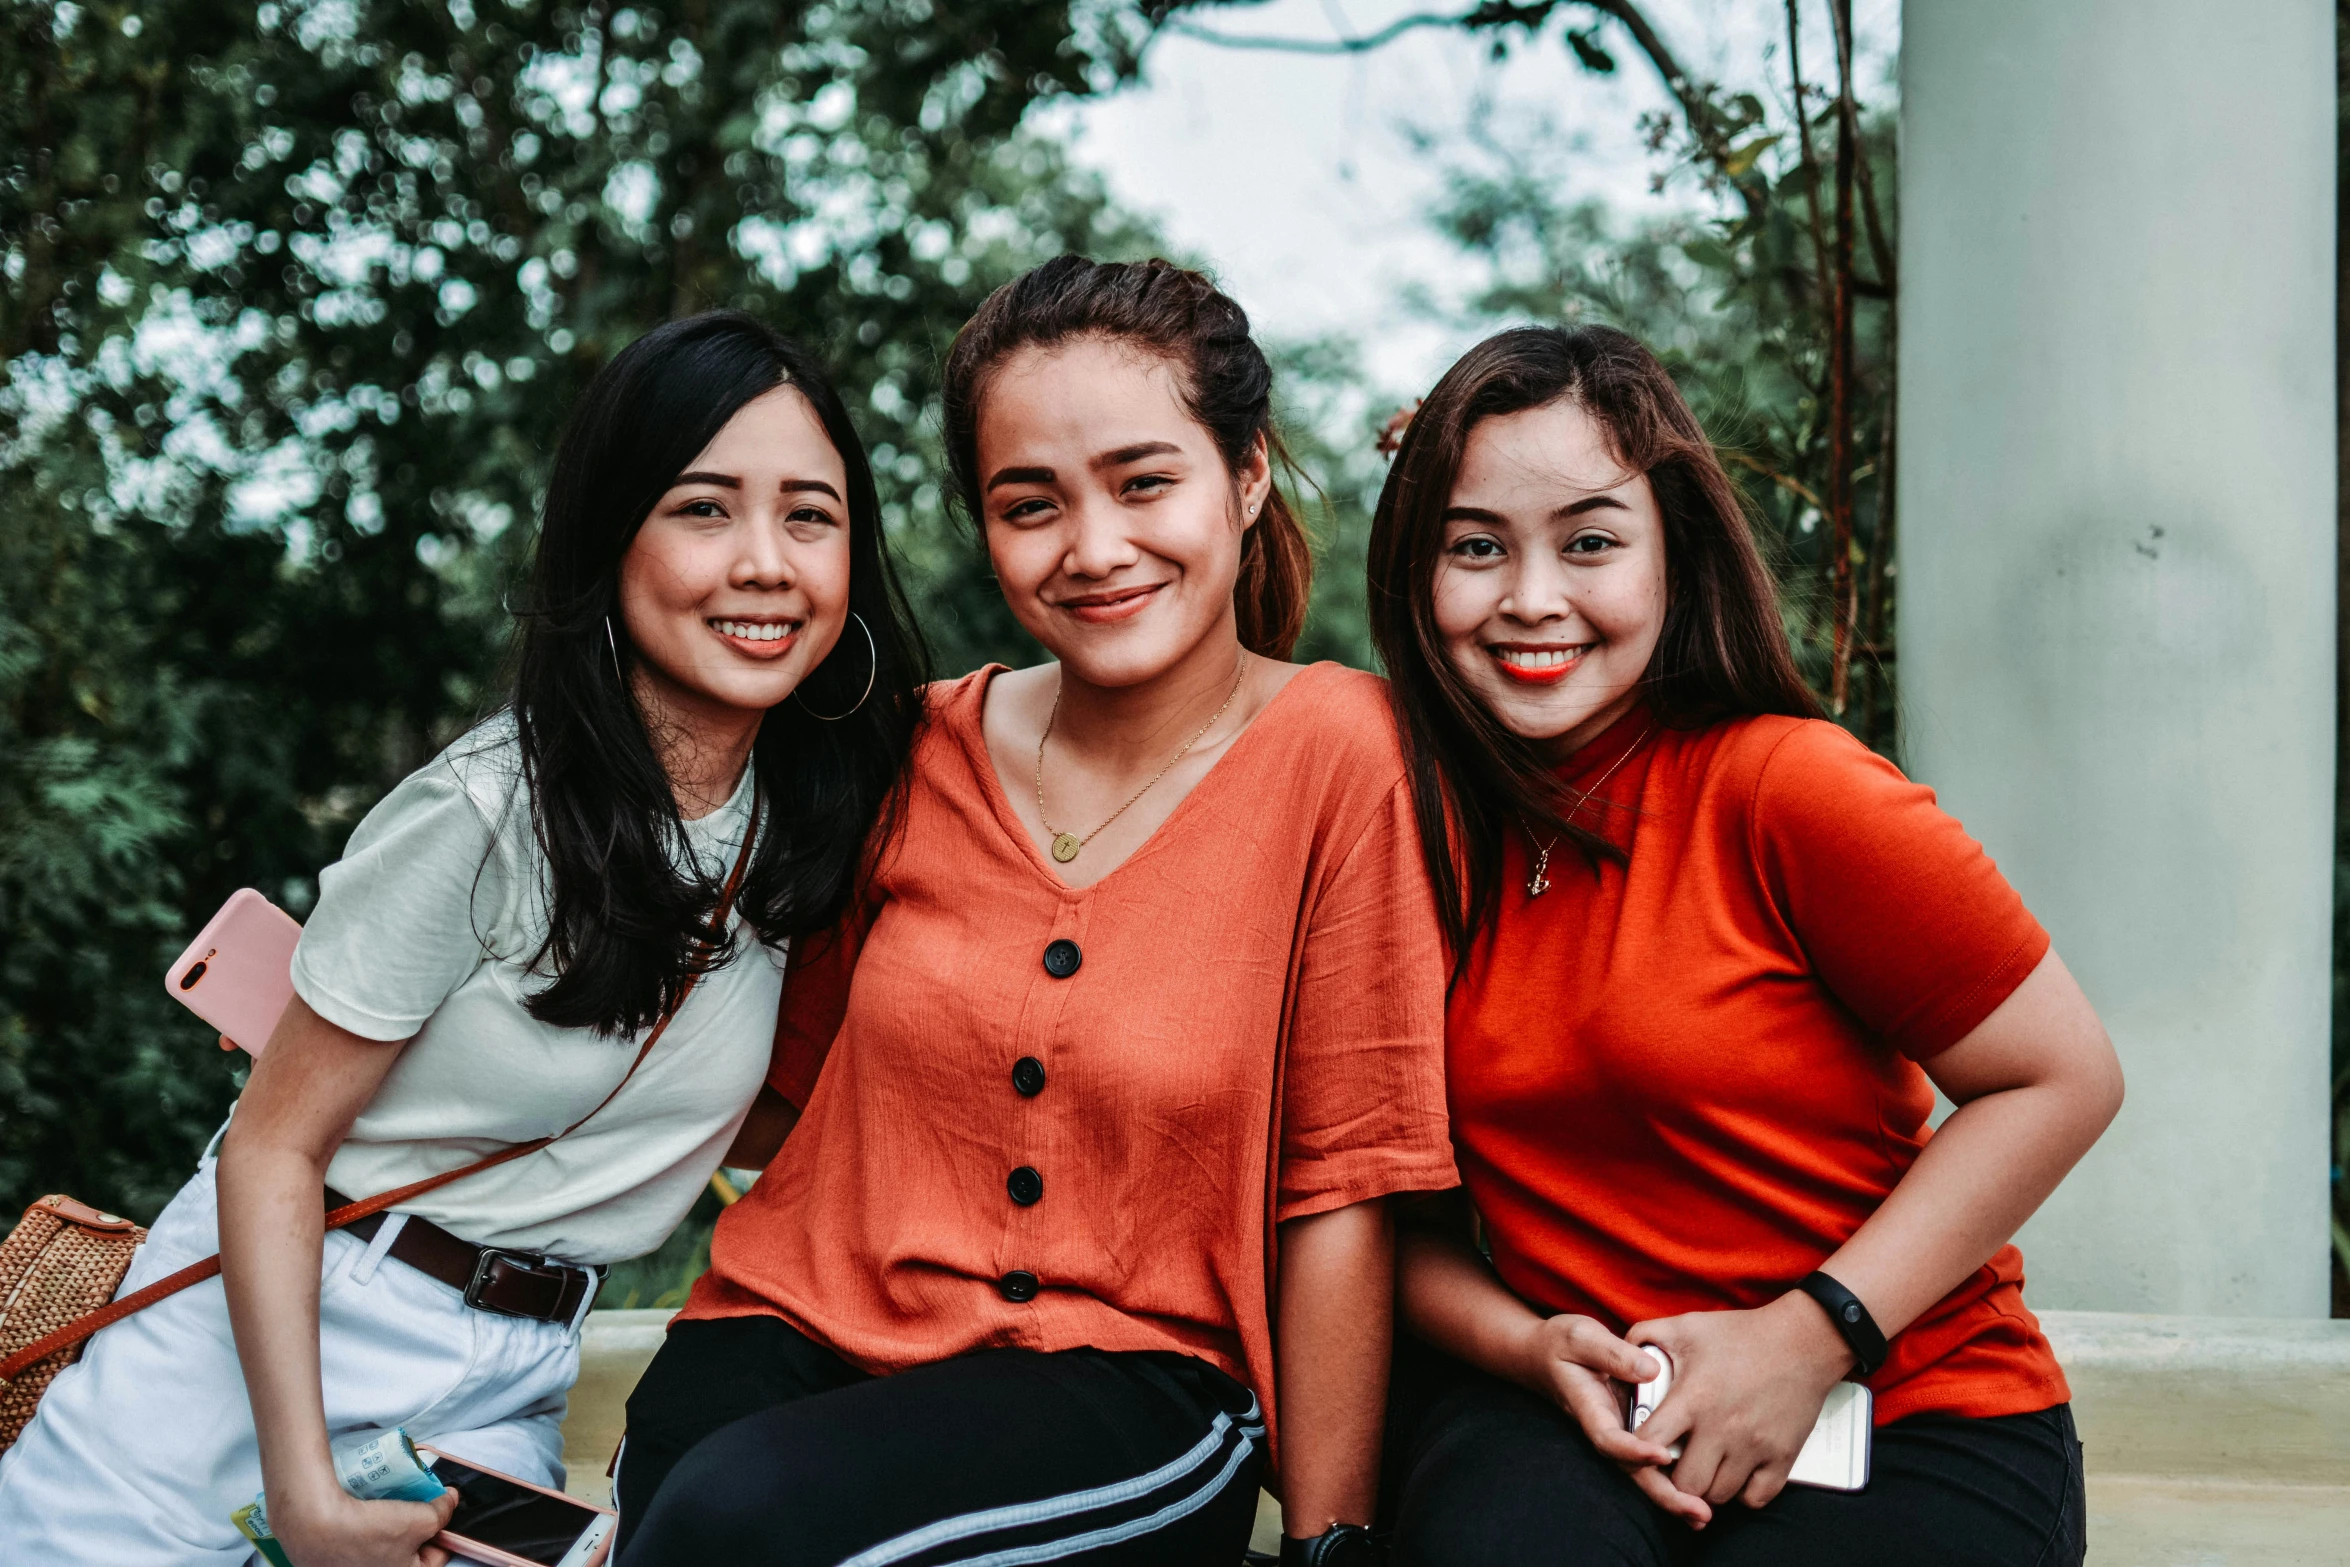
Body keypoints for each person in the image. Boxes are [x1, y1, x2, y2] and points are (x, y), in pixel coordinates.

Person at [0, 312, 926, 1567]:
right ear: (612, 542)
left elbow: (745, 1112)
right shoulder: (487, 811)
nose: (765, 561)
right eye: (704, 509)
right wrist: (306, 1490)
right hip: (276, 1332)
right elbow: (272, 1146)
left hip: (509, 1385)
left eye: (808, 515)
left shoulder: (812, 829)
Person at [615, 257, 1458, 1567]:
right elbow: (764, 1088)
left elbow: (1342, 1184)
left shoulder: (1341, 751)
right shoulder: (909, 748)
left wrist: (1330, 1536)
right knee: (663, 1510)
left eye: (1143, 481)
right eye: (1030, 502)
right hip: (785, 1322)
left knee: (738, 1523)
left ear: (1242, 480)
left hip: (1127, 1372)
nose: (1093, 546)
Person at [1365, 325, 2125, 1567]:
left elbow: (2059, 1075)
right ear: (1414, 573)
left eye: (1591, 541)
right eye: (1475, 546)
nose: (1531, 598)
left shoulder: (1789, 789)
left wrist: (1807, 1333)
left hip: (1900, 1403)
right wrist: (1528, 1344)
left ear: (1675, 557)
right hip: (1584, 1415)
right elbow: (1394, 1223)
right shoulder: (1409, 831)